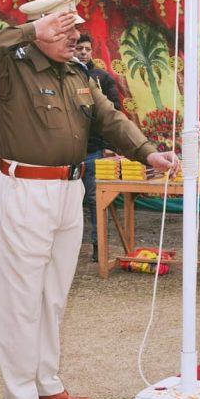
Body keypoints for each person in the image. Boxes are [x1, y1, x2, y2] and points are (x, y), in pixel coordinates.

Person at [0, 0, 178, 399]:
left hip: (68, 191)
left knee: (53, 296)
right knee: (22, 298)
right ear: (42, 29)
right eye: (65, 27)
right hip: (24, 190)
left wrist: (148, 153)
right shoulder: (9, 67)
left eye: (76, 27)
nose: (76, 35)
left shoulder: (76, 73)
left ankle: (48, 384)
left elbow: (108, 118)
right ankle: (19, 398)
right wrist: (26, 32)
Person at [73, 32, 121, 263]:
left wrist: (109, 146)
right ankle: (67, 248)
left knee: (94, 199)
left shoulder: (102, 77)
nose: (83, 52)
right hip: (66, 151)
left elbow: (114, 114)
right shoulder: (62, 75)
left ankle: (97, 245)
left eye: (87, 49)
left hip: (93, 149)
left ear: (92, 52)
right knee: (67, 200)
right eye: (78, 48)